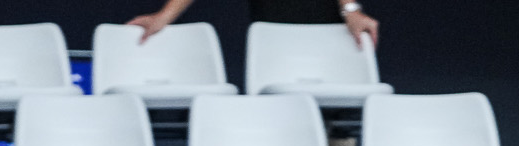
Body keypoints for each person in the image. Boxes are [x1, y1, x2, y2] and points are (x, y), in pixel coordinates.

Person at [127, 0, 379, 47]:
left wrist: (350, 9)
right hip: (274, 33)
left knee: (338, 130)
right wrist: (164, 16)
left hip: (330, 30)